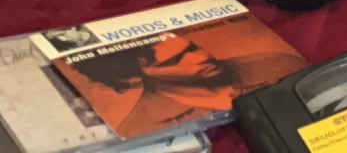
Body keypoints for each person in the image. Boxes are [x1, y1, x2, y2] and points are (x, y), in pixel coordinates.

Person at [69, 30, 303, 137]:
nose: (202, 57)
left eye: (193, 48)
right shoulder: (138, 126)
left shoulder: (278, 63)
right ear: (143, 72)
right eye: (178, 59)